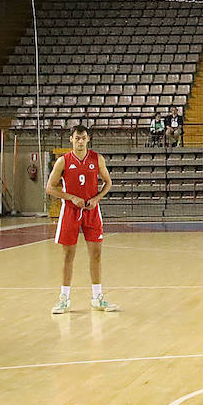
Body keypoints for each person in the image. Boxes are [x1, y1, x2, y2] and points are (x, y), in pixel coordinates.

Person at [46, 125, 118, 314]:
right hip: (70, 211)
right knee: (68, 255)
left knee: (96, 254)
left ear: (88, 139)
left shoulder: (97, 158)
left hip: (92, 211)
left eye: (83, 138)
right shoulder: (63, 161)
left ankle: (97, 297)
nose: (80, 141)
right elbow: (50, 188)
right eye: (77, 138)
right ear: (71, 139)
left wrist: (97, 198)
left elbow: (108, 182)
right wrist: (70, 197)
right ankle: (64, 298)